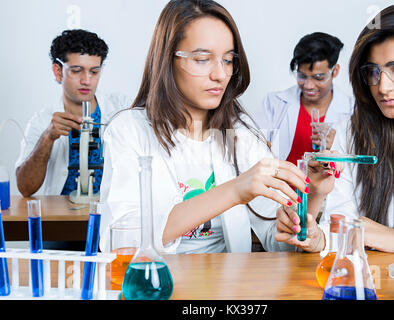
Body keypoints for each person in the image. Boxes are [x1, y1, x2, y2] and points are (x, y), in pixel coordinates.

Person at [99, 0, 310, 254]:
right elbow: (123, 242)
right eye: (202, 59)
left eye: (228, 60)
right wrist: (234, 190)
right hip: (157, 286)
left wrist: (308, 222)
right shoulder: (129, 130)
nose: (220, 74)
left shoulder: (240, 133)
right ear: (167, 60)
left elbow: (276, 237)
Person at [275, 3, 394, 261]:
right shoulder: (351, 131)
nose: (383, 87)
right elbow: (346, 224)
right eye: (372, 72)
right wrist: (318, 237)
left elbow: (368, 232)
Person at [15, 29, 129, 196]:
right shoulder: (42, 121)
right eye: (76, 71)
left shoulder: (121, 108)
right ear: (58, 71)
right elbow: (25, 188)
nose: (86, 81)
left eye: (94, 72)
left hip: (108, 216)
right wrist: (48, 137)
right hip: (61, 217)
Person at [254, 32, 354, 165]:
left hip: (327, 186)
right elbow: (251, 151)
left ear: (335, 71)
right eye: (302, 76)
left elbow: (358, 169)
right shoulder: (274, 103)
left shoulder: (353, 110)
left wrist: (335, 146)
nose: (308, 85)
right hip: (279, 185)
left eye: (318, 77)